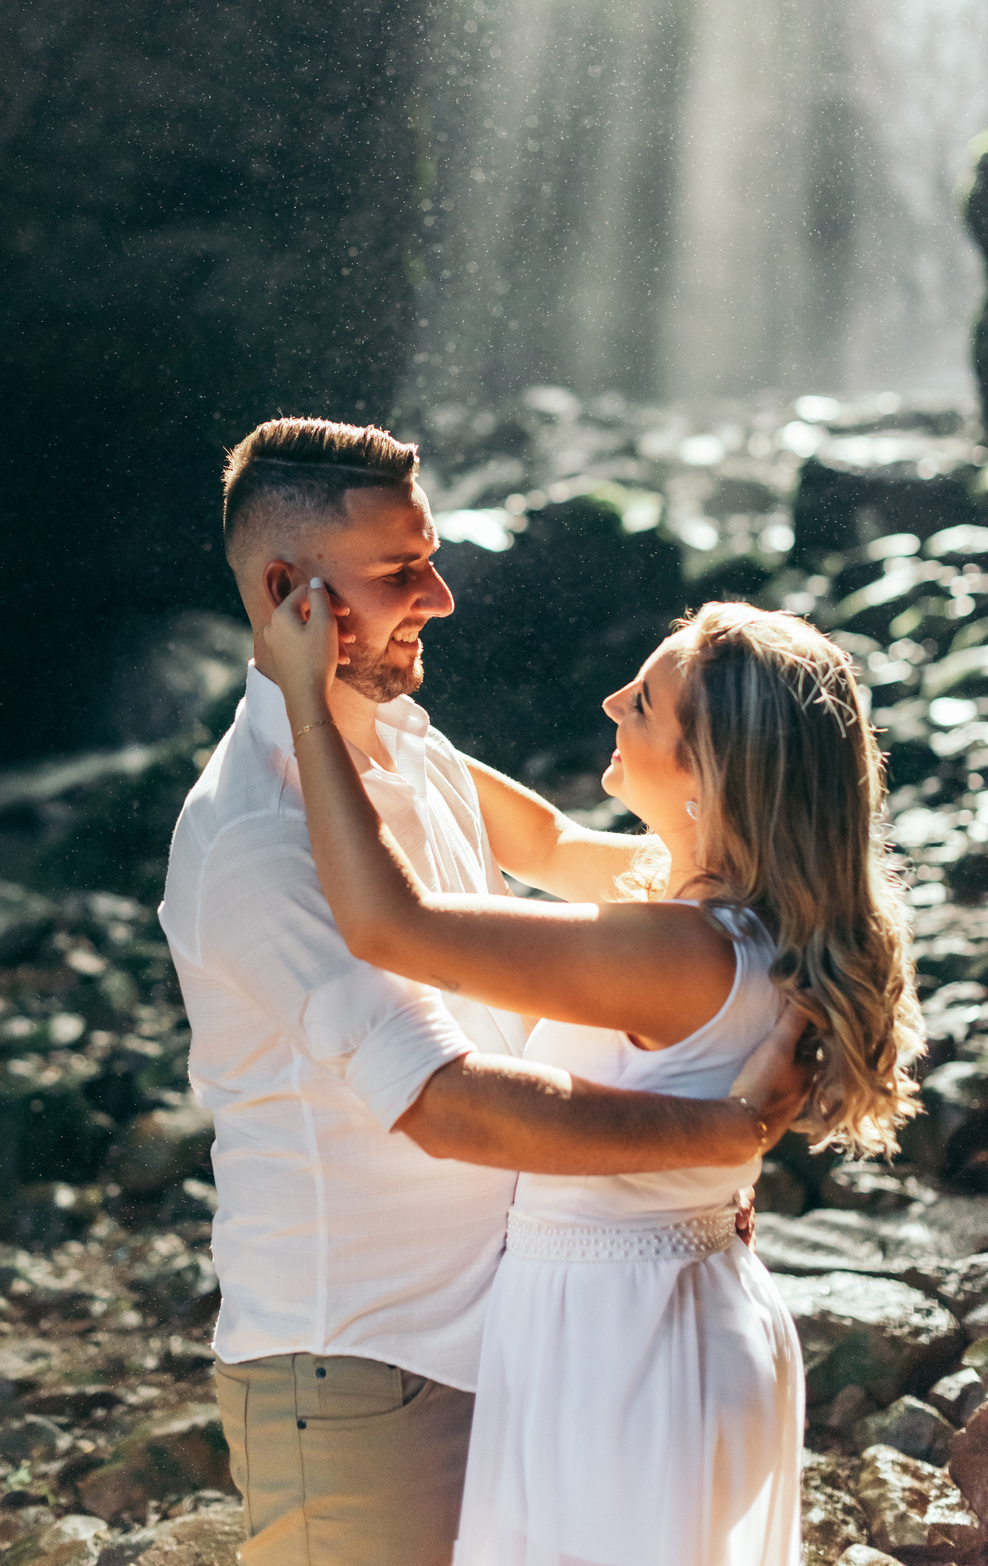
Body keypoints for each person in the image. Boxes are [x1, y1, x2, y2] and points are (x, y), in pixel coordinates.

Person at [159, 416, 812, 1566]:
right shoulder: (262, 838)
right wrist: (715, 1134)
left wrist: (786, 877)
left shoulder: (402, 734)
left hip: (521, 1331)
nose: (443, 595)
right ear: (285, 591)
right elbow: (446, 1102)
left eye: (432, 552)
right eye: (400, 571)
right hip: (366, 1372)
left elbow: (565, 850)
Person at [265, 578, 924, 1566]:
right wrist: (379, 718)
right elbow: (547, 842)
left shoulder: (683, 951)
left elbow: (390, 927)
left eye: (646, 702)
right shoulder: (749, 911)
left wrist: (306, 709)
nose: (613, 702)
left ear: (712, 774)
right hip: (651, 1314)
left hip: (630, 1343)